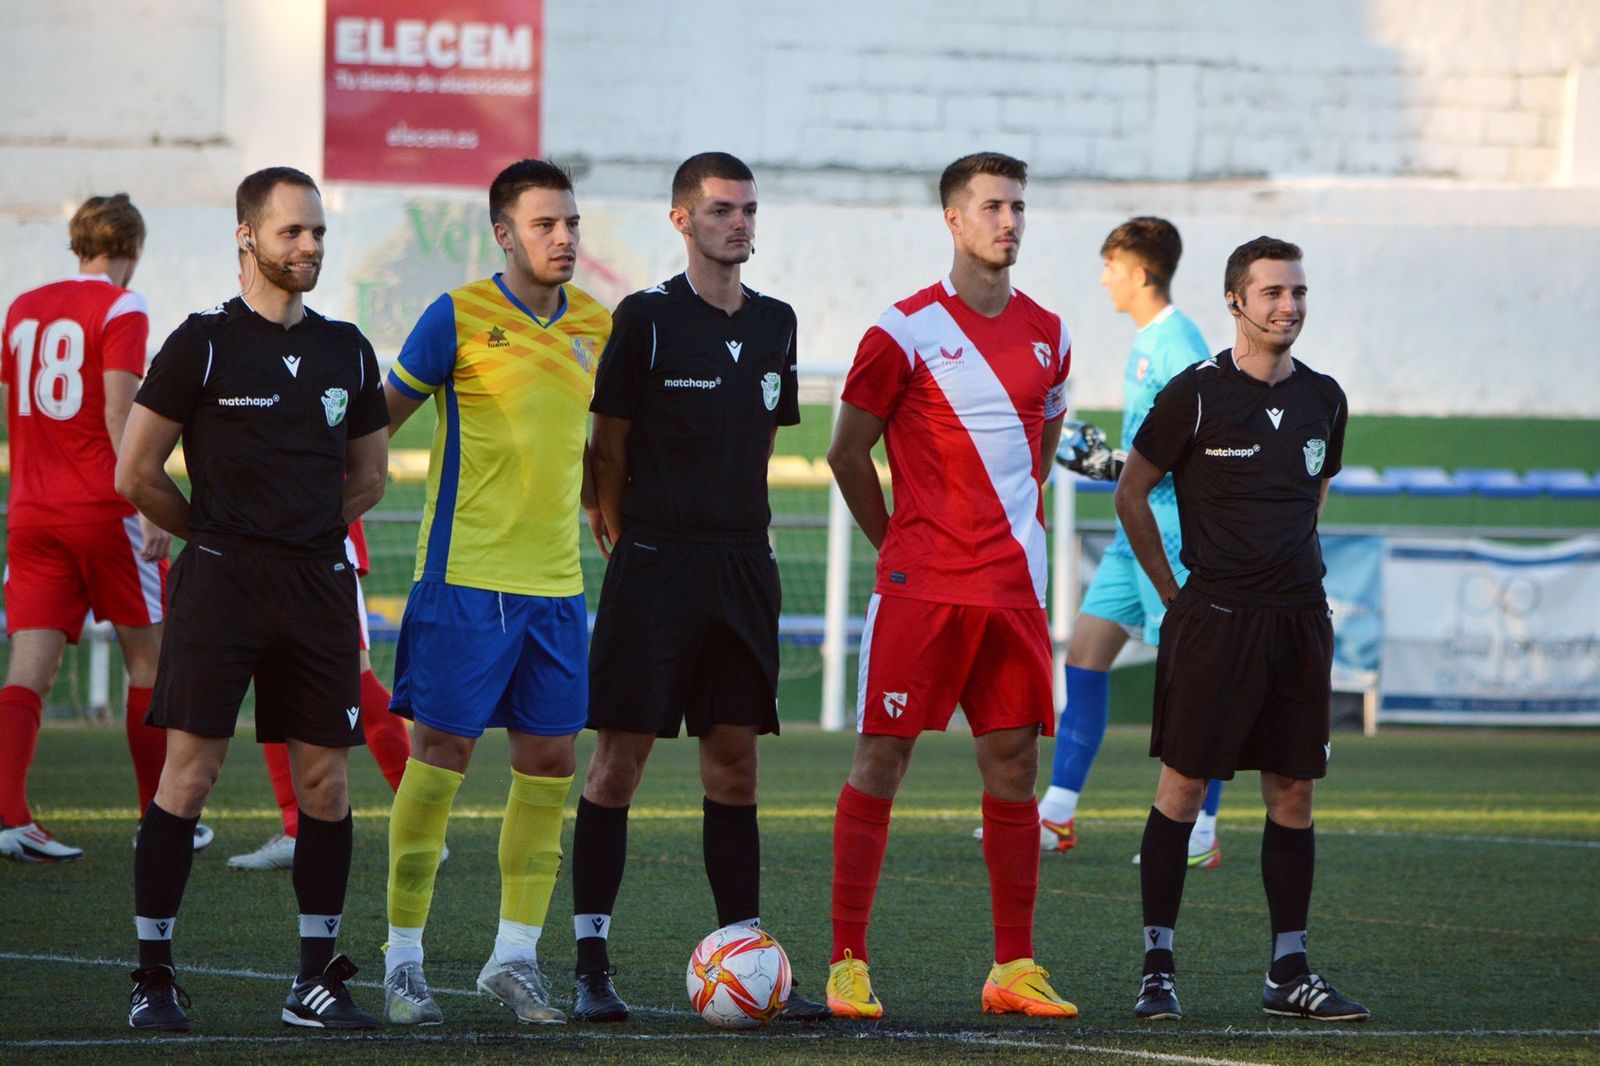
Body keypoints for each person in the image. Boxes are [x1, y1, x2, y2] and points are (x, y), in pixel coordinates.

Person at [116, 166, 388, 1032]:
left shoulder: (348, 347)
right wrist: (213, 532)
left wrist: (303, 531)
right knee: (189, 776)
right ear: (247, 236)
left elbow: (370, 476)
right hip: (221, 585)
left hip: (316, 587)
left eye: (317, 232)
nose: (308, 246)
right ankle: (153, 976)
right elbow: (136, 471)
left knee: (326, 783)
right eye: (291, 231)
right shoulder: (201, 342)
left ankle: (315, 981)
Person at [571, 151, 827, 1024]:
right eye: (721, 210)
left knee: (735, 766)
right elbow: (607, 443)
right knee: (619, 763)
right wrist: (621, 531)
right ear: (681, 219)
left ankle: (747, 958)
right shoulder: (645, 318)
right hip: (654, 562)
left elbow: (763, 440)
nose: (739, 223)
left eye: (749, 210)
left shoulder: (777, 323)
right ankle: (592, 965)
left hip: (740, 565)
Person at [824, 152, 1076, 1021]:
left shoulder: (1052, 334)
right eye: (992, 207)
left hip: (1013, 591)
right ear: (954, 220)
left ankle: (1014, 967)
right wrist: (898, 545)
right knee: (881, 760)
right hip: (921, 590)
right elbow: (846, 452)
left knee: (1015, 767)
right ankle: (848, 962)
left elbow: (1040, 453)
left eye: (1018, 207)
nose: (1009, 221)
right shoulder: (902, 329)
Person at [379, 159, 611, 1027]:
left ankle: (514, 960)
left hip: (557, 588)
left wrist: (606, 506)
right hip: (464, 582)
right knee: (440, 758)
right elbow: (378, 420)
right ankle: (403, 962)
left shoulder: (598, 326)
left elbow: (596, 443)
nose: (564, 237)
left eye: (572, 223)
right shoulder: (457, 315)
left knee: (550, 766)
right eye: (546, 224)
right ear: (503, 234)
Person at [1118, 236, 1368, 1022]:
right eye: (1272, 293)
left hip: (1299, 620)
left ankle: (1288, 973)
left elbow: (1313, 492)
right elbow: (1130, 492)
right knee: (1184, 787)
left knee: (1294, 792)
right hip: (1215, 620)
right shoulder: (1195, 394)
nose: (1288, 306)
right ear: (1235, 301)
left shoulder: (1326, 397)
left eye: (1298, 292)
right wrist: (1173, 596)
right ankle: (1158, 969)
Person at [0, 193, 211, 862]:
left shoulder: (21, 308)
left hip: (33, 510)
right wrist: (149, 505)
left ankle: (9, 816)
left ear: (76, 243)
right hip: (104, 511)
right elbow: (122, 415)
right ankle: (160, 819)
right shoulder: (124, 306)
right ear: (134, 250)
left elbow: (13, 411)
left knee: (29, 667)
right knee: (150, 660)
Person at [1040, 217, 1225, 866]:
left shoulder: (1179, 344)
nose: (1103, 279)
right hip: (1133, 532)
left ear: (1141, 273)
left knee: (1194, 684)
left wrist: (1112, 466)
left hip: (1170, 535)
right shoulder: (1148, 340)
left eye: (1111, 267)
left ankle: (1200, 829)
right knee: (1084, 658)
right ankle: (1056, 814)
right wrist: (1114, 463)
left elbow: (1198, 447)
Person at [224, 245, 414, 873]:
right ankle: (294, 828)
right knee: (273, 681)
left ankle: (421, 820)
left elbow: (366, 465)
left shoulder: (331, 350)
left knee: (357, 680)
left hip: (326, 550)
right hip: (268, 554)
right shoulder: (232, 346)